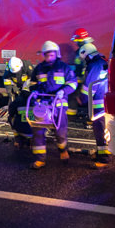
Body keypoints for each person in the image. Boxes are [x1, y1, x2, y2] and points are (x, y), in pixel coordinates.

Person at [29, 40, 77, 170]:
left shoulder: (64, 68)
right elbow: (32, 84)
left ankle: (63, 151)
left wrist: (63, 91)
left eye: (51, 55)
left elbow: (73, 83)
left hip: (59, 104)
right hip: (43, 104)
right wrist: (34, 92)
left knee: (60, 130)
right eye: (46, 55)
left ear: (57, 54)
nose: (49, 58)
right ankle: (40, 159)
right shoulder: (39, 68)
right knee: (38, 130)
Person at [79, 41, 111, 167]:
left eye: (85, 58)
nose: (85, 60)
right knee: (103, 128)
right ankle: (101, 153)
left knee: (100, 130)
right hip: (104, 102)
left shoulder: (95, 65)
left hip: (99, 104)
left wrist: (82, 99)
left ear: (88, 55)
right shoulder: (102, 62)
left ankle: (104, 158)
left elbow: (89, 86)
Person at [3, 56, 34, 149]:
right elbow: (7, 81)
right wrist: (11, 93)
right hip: (17, 90)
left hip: (28, 91)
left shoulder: (27, 66)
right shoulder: (9, 69)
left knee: (25, 112)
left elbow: (34, 80)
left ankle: (26, 137)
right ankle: (18, 138)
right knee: (12, 112)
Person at [67, 27, 94, 120]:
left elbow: (83, 65)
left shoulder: (86, 49)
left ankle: (71, 118)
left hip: (83, 79)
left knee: (74, 96)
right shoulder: (85, 48)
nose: (76, 42)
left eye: (77, 40)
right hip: (82, 79)